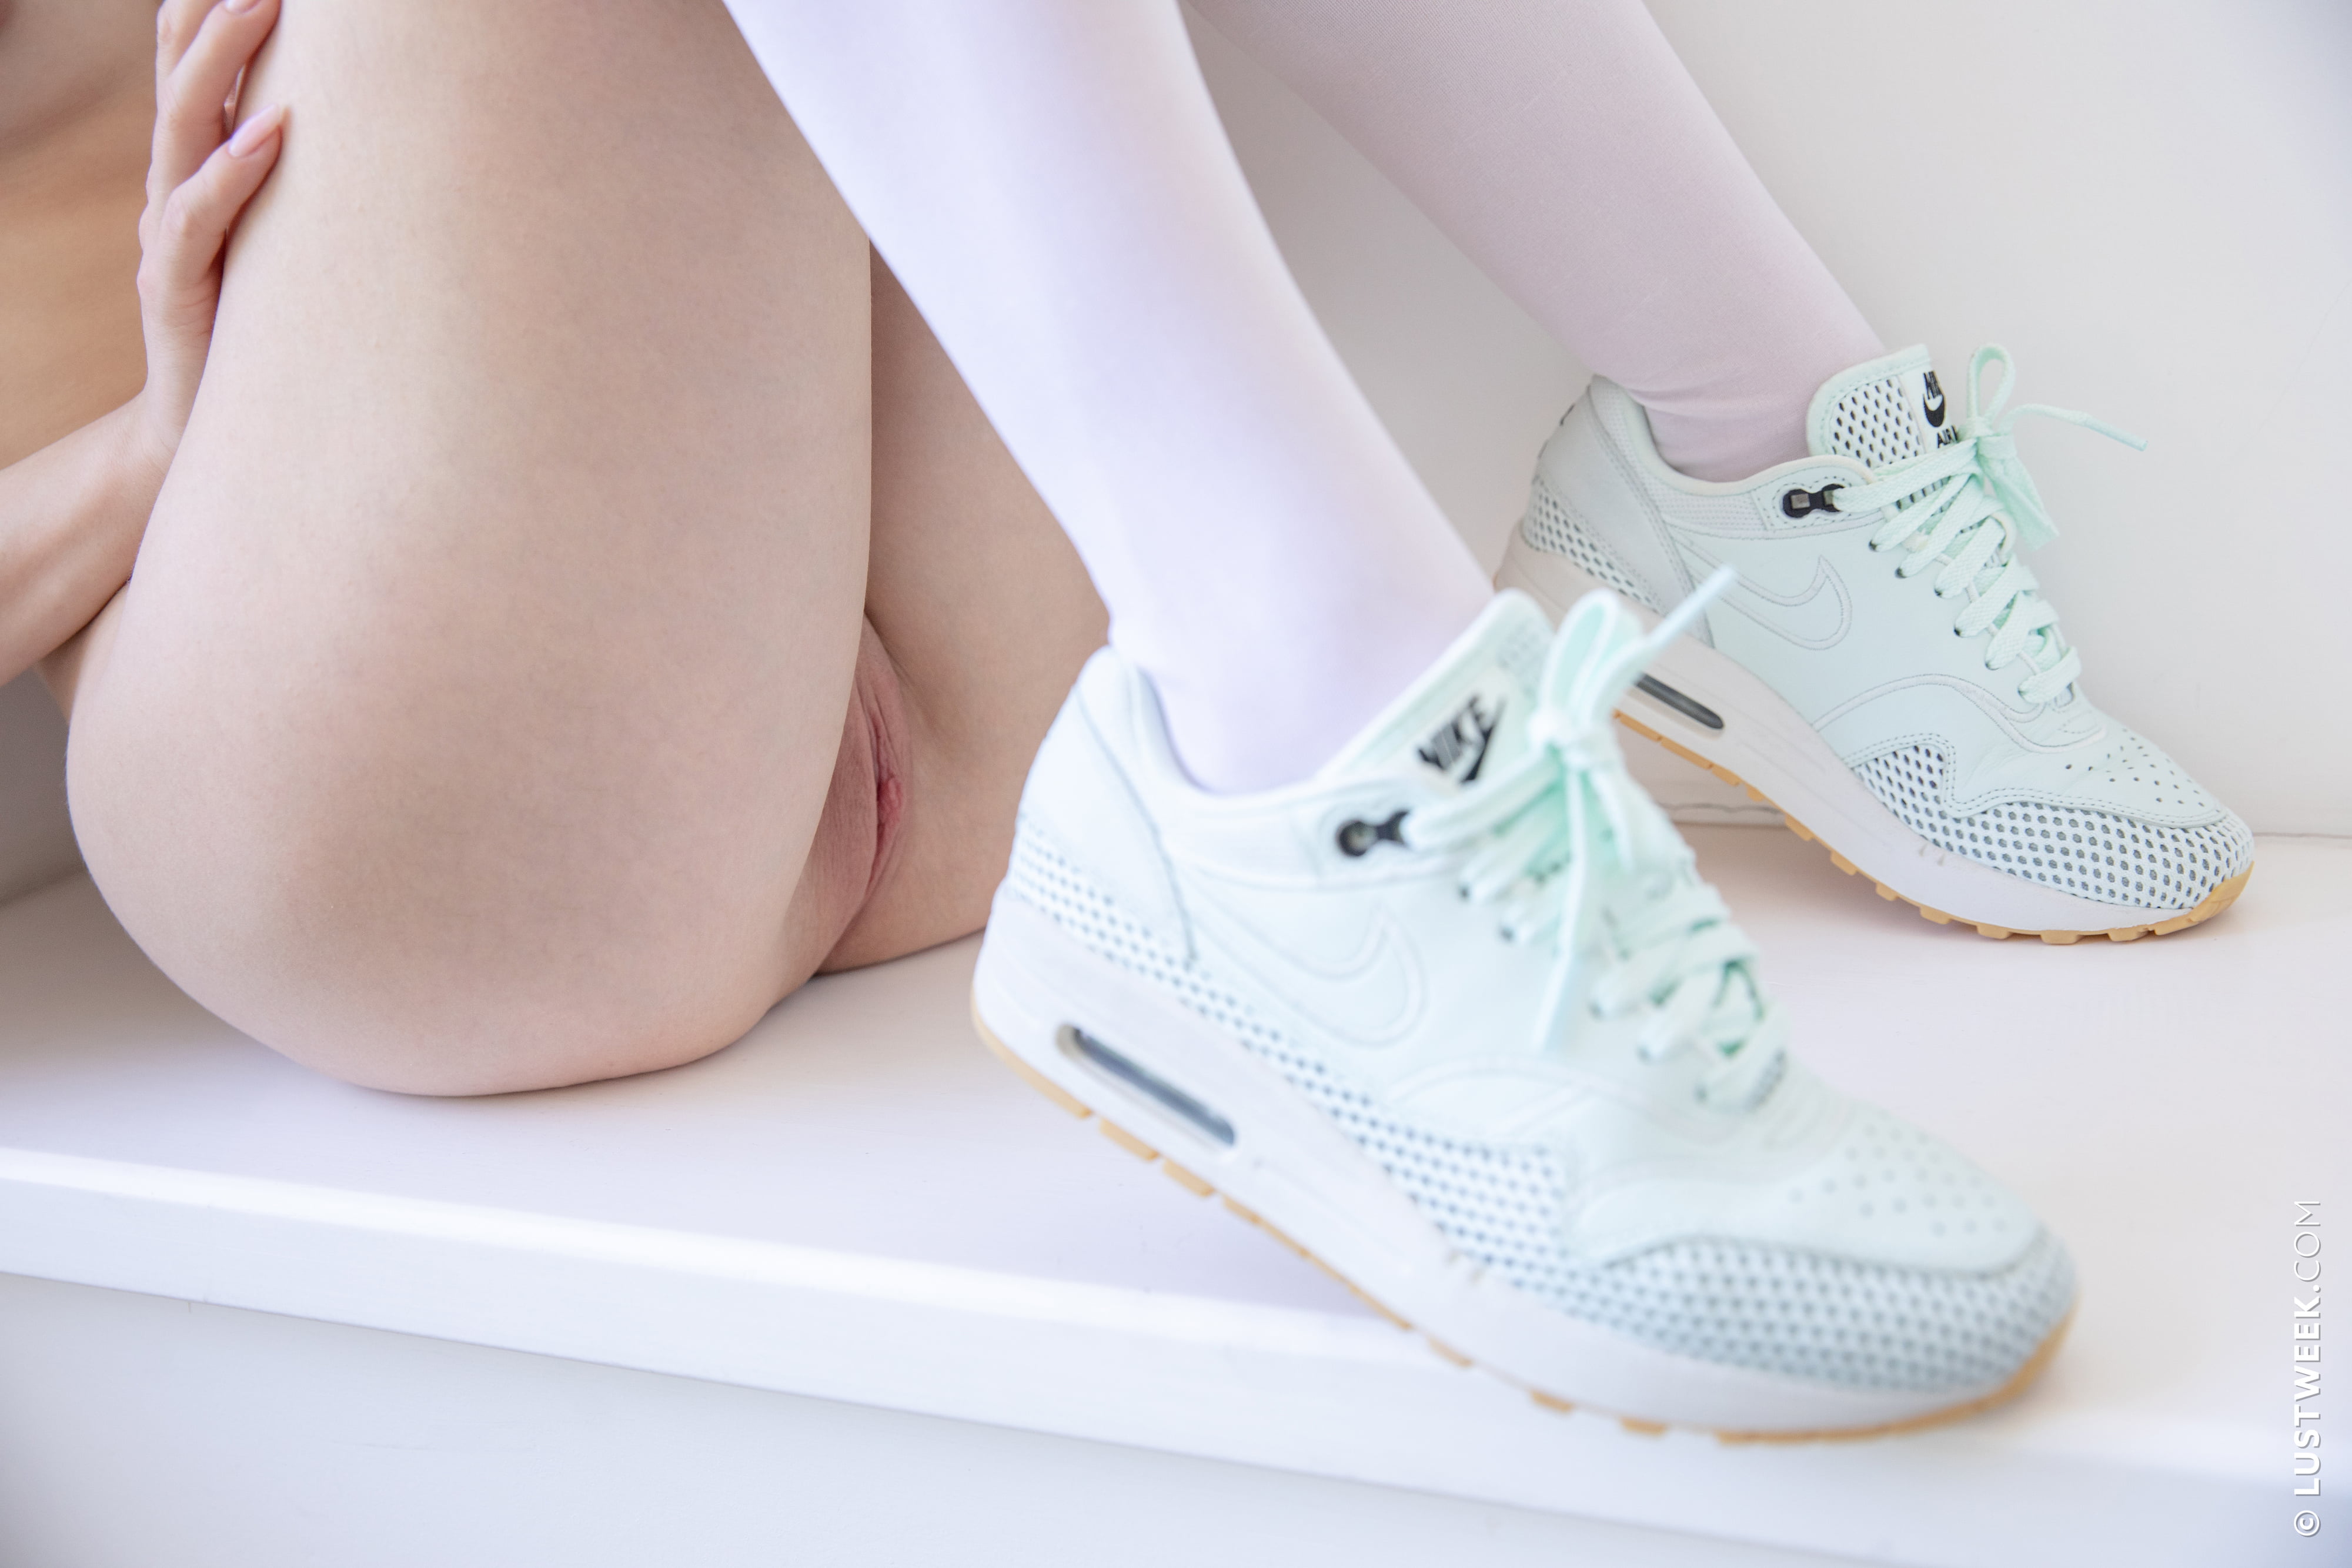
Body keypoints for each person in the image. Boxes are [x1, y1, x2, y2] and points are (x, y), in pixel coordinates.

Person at [9, 0, 2229, 1435]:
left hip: (898, 623)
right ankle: (1333, 748)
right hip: (403, 770)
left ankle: (1749, 445)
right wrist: (136, 462)